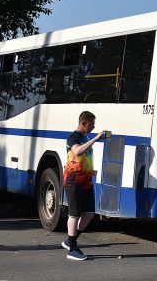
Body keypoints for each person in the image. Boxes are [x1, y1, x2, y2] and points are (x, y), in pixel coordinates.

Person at [61, 111, 106, 261]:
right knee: (74, 214)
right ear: (84, 123)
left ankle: (70, 240)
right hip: (73, 180)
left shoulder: (85, 137)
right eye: (92, 124)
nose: (94, 127)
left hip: (86, 181)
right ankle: (72, 249)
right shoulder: (73, 137)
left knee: (89, 213)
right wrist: (96, 139)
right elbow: (77, 151)